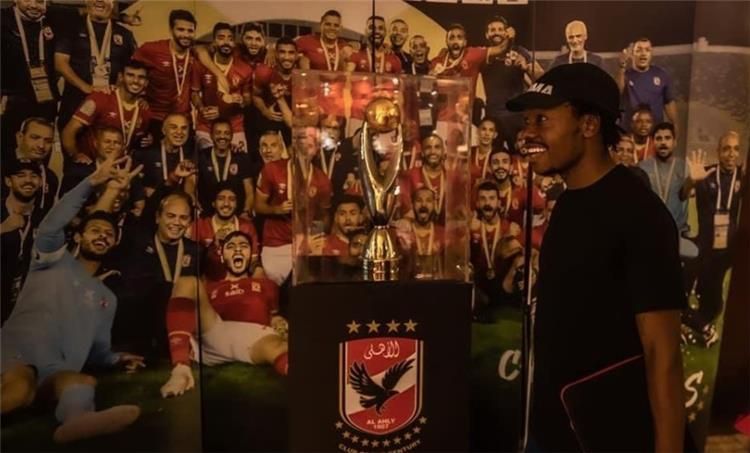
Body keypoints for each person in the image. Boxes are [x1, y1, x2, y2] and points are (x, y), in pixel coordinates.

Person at [507, 63, 686, 451]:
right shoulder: (568, 203)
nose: (527, 133)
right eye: (526, 121)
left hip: (612, 434)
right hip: (557, 427)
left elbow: (664, 354)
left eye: (542, 120)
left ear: (588, 125)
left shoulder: (640, 214)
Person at [1, 156, 145, 443]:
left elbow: (97, 350)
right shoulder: (51, 262)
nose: (102, 236)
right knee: (20, 389)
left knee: (80, 382)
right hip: (16, 353)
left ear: (115, 243)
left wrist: (116, 358)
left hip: (53, 369)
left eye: (109, 234)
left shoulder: (107, 298)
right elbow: (51, 226)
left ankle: (78, 422)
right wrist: (92, 182)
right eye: (95, 230)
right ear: (77, 237)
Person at [161, 231, 288, 398]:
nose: (237, 250)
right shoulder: (210, 286)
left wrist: (280, 322)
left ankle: (314, 389)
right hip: (216, 331)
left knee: (281, 348)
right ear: (222, 255)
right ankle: (180, 369)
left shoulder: (267, 285)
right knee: (187, 282)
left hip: (254, 337)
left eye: (243, 246)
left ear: (251, 254)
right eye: (231, 246)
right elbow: (193, 314)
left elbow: (276, 316)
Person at [681, 132, 745, 347]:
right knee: (683, 292)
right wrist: (691, 181)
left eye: (736, 149)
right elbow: (682, 194)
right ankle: (695, 325)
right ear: (718, 152)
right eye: (726, 148)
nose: (731, 153)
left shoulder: (742, 177)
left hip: (726, 251)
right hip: (704, 247)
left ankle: (695, 325)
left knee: (714, 302)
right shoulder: (706, 173)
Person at [55, 0, 137, 136]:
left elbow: (132, 69)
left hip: (110, 104)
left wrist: (120, 89)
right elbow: (60, 63)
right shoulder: (71, 28)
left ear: (113, 3)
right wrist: (85, 87)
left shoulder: (125, 34)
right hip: (75, 102)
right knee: (72, 144)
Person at [61, 59, 151, 162]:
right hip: (93, 166)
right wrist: (76, 156)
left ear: (146, 82)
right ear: (121, 77)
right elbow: (68, 132)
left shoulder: (144, 110)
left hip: (119, 167)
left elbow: (135, 142)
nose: (135, 81)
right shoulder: (100, 98)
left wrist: (149, 139)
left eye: (141, 77)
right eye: (130, 75)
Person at [1, 0, 59, 153]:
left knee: (41, 149)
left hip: (45, 101)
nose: (34, 5)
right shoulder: (3, 19)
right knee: (8, 152)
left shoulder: (55, 19)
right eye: (27, 0)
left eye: (39, 1)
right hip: (10, 101)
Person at [132, 9, 196, 140]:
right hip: (156, 117)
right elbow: (129, 72)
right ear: (171, 30)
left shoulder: (196, 54)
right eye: (181, 30)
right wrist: (137, 97)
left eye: (190, 31)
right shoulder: (151, 49)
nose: (186, 35)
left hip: (183, 119)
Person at [191, 22, 253, 154]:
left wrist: (241, 101)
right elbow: (194, 93)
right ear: (214, 42)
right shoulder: (201, 64)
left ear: (234, 43)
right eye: (221, 38)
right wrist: (201, 109)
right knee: (207, 163)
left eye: (230, 39)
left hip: (234, 126)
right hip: (206, 125)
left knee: (239, 163)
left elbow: (247, 100)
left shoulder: (245, 69)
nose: (226, 42)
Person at [481, 16, 544, 143]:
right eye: (492, 30)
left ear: (506, 32)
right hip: (493, 117)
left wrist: (526, 66)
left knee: (519, 153)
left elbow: (542, 77)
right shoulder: (484, 54)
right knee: (495, 154)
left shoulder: (520, 51)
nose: (496, 32)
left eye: (500, 29)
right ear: (487, 34)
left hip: (517, 116)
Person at [1, 159, 45, 323]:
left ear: (40, 182)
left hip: (26, 306)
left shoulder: (45, 217)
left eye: (34, 176)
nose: (28, 180)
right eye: (20, 175)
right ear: (8, 181)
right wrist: (3, 228)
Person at [617, 38, 678, 134]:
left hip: (654, 133)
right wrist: (622, 67)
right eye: (639, 50)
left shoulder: (661, 74)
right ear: (632, 54)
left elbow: (669, 103)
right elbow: (618, 91)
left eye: (647, 50)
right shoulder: (625, 75)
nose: (643, 53)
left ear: (651, 54)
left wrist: (675, 125)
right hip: (629, 133)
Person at [195, 119, 254, 214]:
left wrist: (246, 212)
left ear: (232, 136)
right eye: (218, 133)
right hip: (207, 214)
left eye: (226, 133)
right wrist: (193, 200)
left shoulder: (242, 157)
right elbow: (191, 182)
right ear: (211, 135)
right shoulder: (201, 156)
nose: (222, 136)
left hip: (236, 215)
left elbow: (249, 191)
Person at [638, 122, 687, 231]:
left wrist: (692, 181)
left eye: (667, 138)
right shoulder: (642, 167)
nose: (663, 142)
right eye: (659, 138)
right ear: (653, 142)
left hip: (677, 230)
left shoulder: (683, 167)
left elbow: (684, 195)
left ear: (675, 142)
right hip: (650, 228)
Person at [12, 117, 57, 214]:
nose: (41, 145)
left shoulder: (51, 177)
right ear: (20, 137)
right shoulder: (3, 169)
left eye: (48, 141)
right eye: (35, 138)